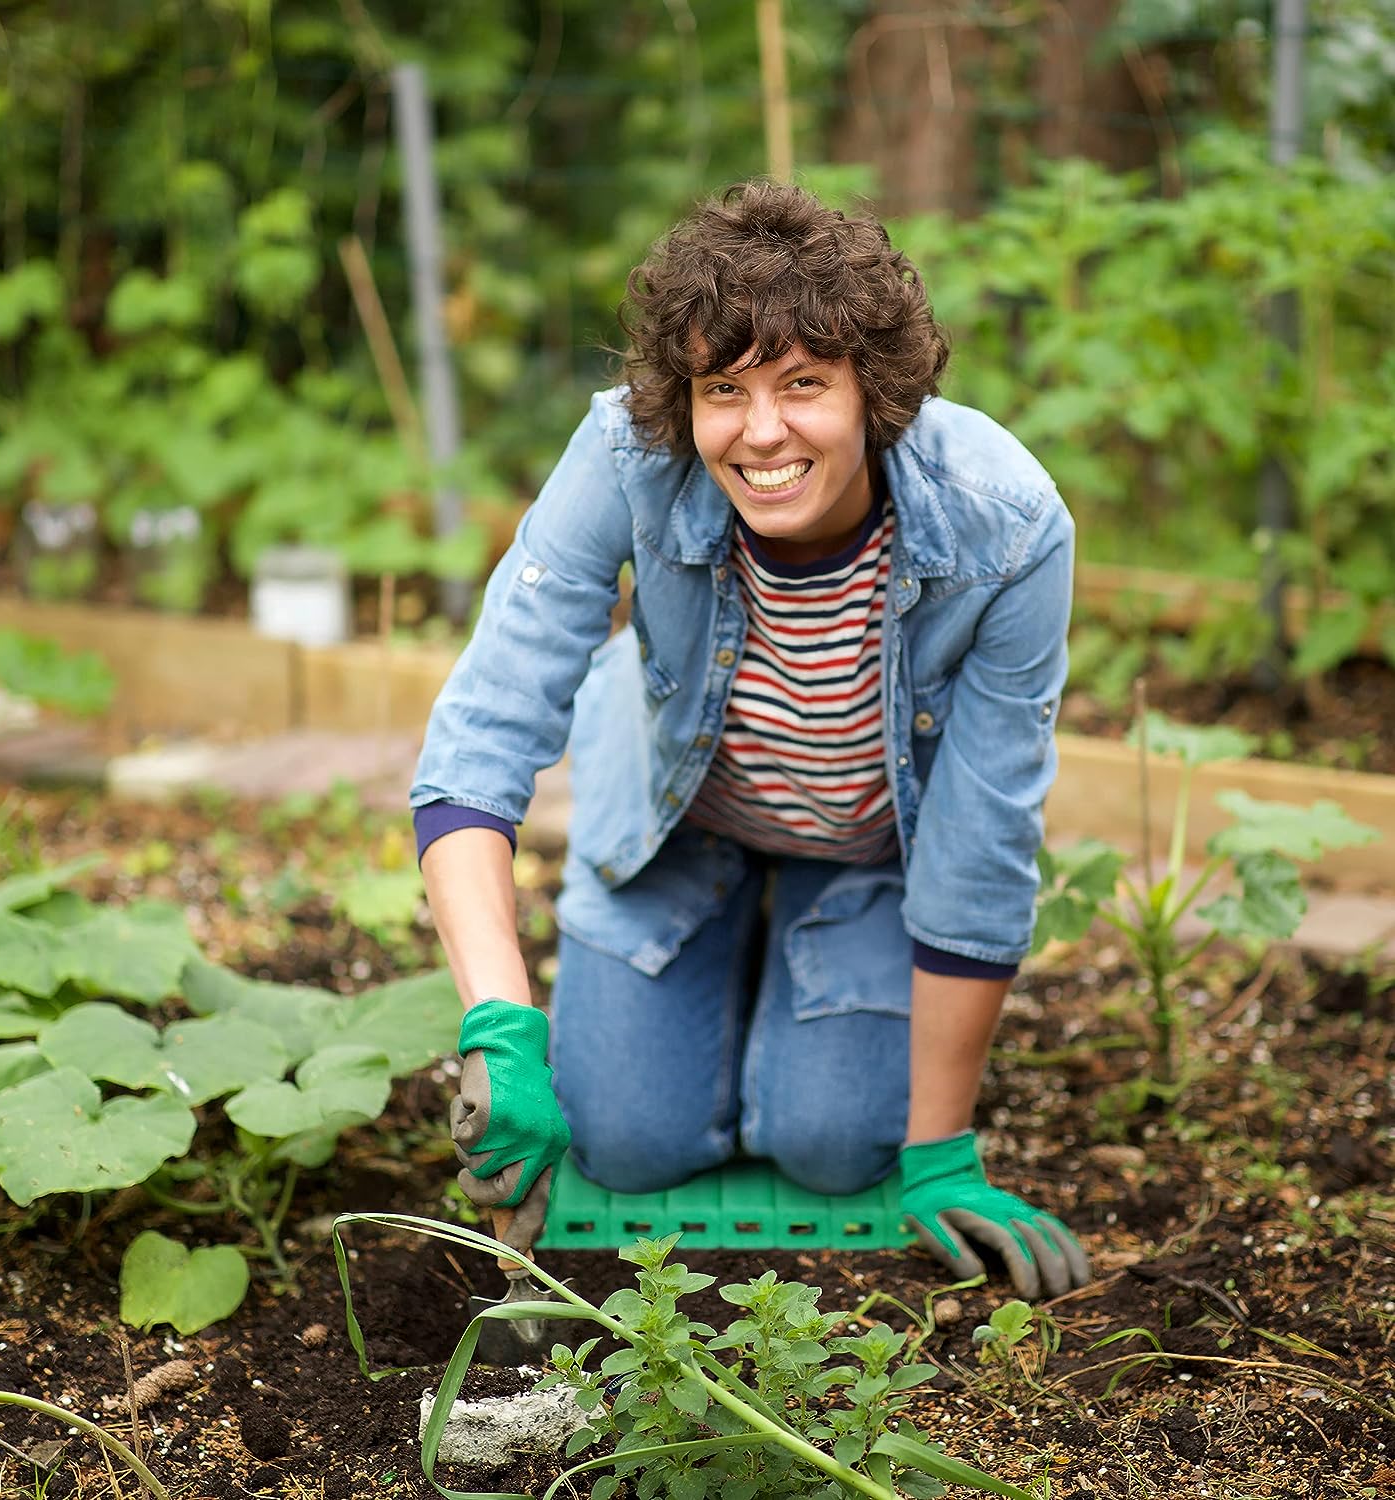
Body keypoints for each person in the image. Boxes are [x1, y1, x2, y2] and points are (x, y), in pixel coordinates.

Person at [412, 181, 1091, 1300]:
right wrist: (500, 1025)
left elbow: (984, 834)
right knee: (626, 1142)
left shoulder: (1006, 522)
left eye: (803, 385)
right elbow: (480, 735)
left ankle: (804, 931)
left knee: (835, 1148)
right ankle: (716, 933)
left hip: (867, 851)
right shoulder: (626, 455)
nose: (760, 431)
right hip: (672, 831)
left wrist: (942, 1152)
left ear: (878, 390)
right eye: (722, 389)